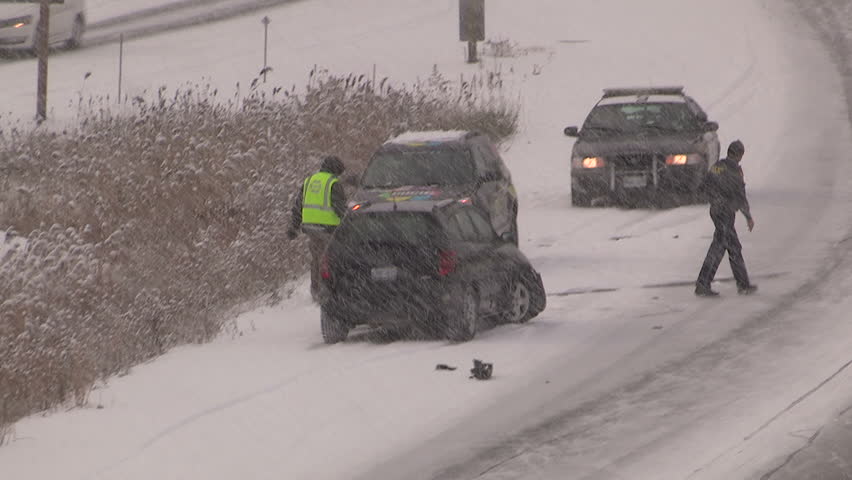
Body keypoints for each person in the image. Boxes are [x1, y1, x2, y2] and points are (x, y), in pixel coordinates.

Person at [695, 140, 758, 297]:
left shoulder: (717, 166)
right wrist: (748, 216)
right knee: (719, 248)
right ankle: (703, 284)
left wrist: (714, 198)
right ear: (739, 155)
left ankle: (742, 284)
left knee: (732, 247)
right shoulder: (734, 170)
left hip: (716, 211)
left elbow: (703, 186)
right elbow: (740, 195)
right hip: (725, 213)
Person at [288, 156, 347, 301]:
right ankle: (327, 292)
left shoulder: (309, 181)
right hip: (328, 229)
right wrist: (349, 225)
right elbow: (340, 208)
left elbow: (298, 206)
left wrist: (294, 227)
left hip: (311, 229)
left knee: (317, 259)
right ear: (335, 170)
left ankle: (316, 290)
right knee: (330, 260)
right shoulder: (333, 183)